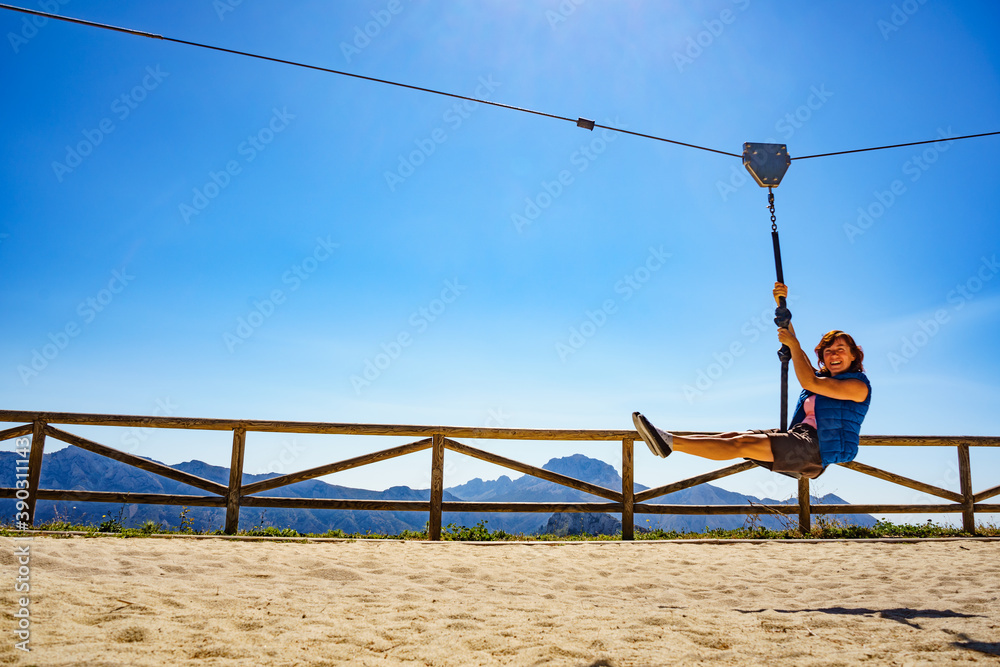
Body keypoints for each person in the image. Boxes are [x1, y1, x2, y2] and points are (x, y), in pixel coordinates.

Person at [632, 282, 871, 479]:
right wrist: (782, 305)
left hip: (818, 449)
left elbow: (809, 381)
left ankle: (670, 442)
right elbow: (804, 362)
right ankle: (667, 439)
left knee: (742, 444)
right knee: (733, 437)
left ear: (853, 355)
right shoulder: (822, 378)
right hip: (801, 436)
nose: (833, 354)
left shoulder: (858, 387)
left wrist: (794, 345)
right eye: (827, 351)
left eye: (840, 349)